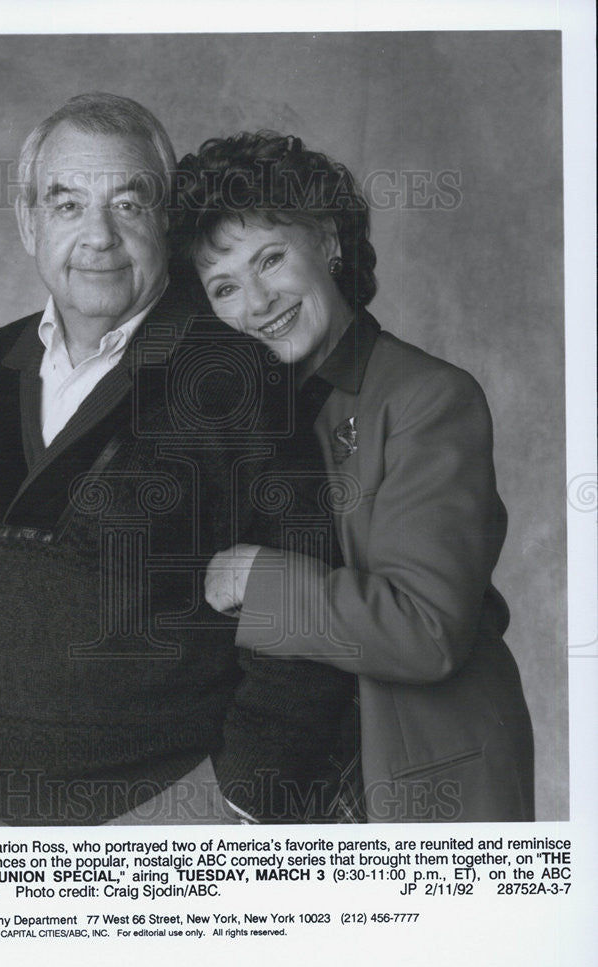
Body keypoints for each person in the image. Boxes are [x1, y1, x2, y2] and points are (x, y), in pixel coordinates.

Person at [0, 96, 361, 826]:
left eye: (127, 203)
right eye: (66, 204)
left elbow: (305, 590)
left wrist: (241, 796)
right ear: (30, 222)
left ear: (165, 221)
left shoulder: (235, 373)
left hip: (167, 803)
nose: (98, 236)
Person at [172, 131, 535, 822]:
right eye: (223, 286)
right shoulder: (227, 418)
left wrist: (256, 581)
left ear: (329, 239)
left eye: (270, 258)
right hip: (278, 780)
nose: (255, 302)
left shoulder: (426, 398)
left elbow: (423, 632)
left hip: (410, 774)